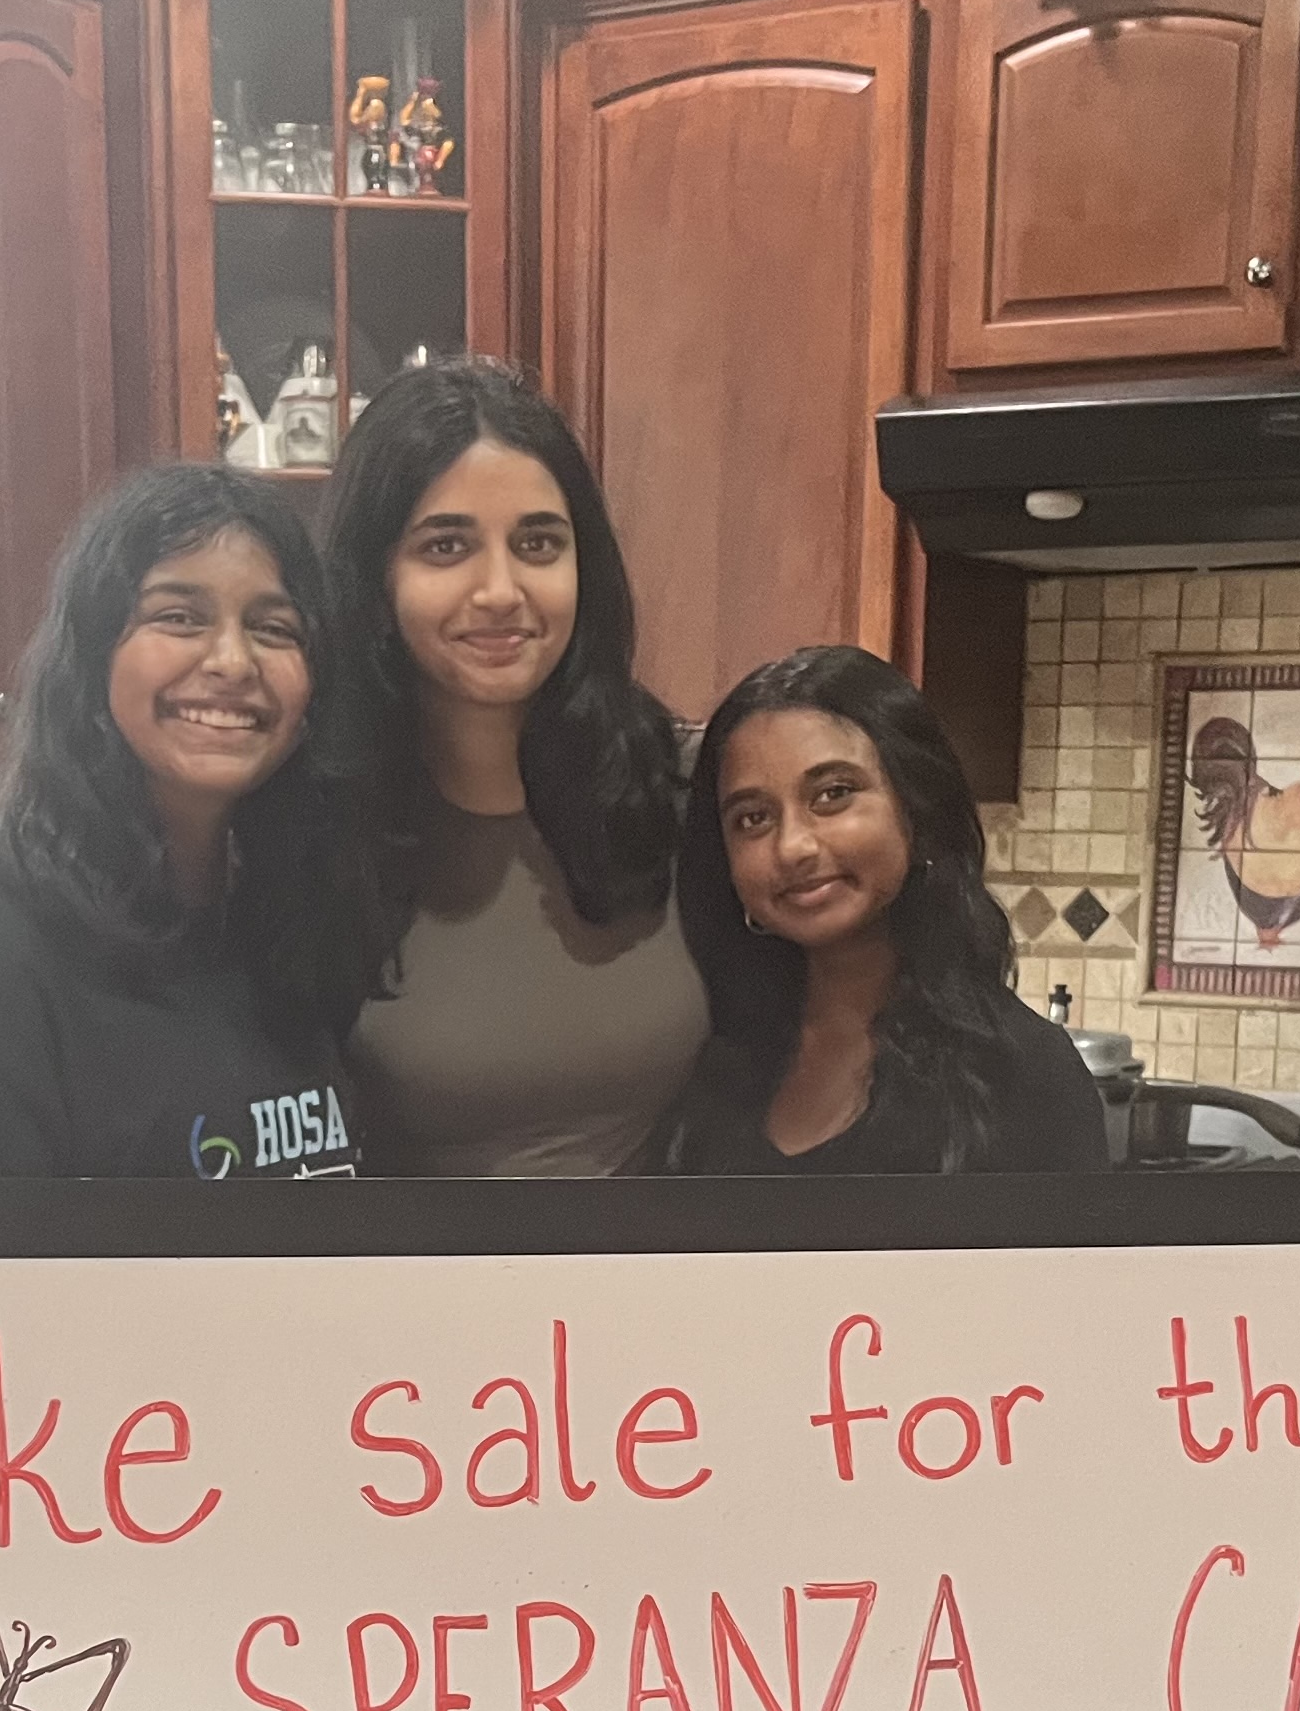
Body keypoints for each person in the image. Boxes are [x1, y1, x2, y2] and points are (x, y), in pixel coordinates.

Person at [0, 464, 369, 1180]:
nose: (232, 660)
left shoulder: (286, 933)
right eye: (178, 617)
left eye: (273, 627)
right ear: (93, 658)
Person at [319, 362, 708, 1176]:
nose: (500, 590)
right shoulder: (313, 823)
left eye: (537, 543)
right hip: (421, 1298)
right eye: (446, 545)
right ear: (374, 576)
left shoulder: (692, 789)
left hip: (664, 1297)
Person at [642, 645, 1108, 1176]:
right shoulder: (710, 1062)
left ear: (918, 807)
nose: (793, 846)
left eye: (833, 794)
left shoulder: (1021, 1074)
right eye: (752, 818)